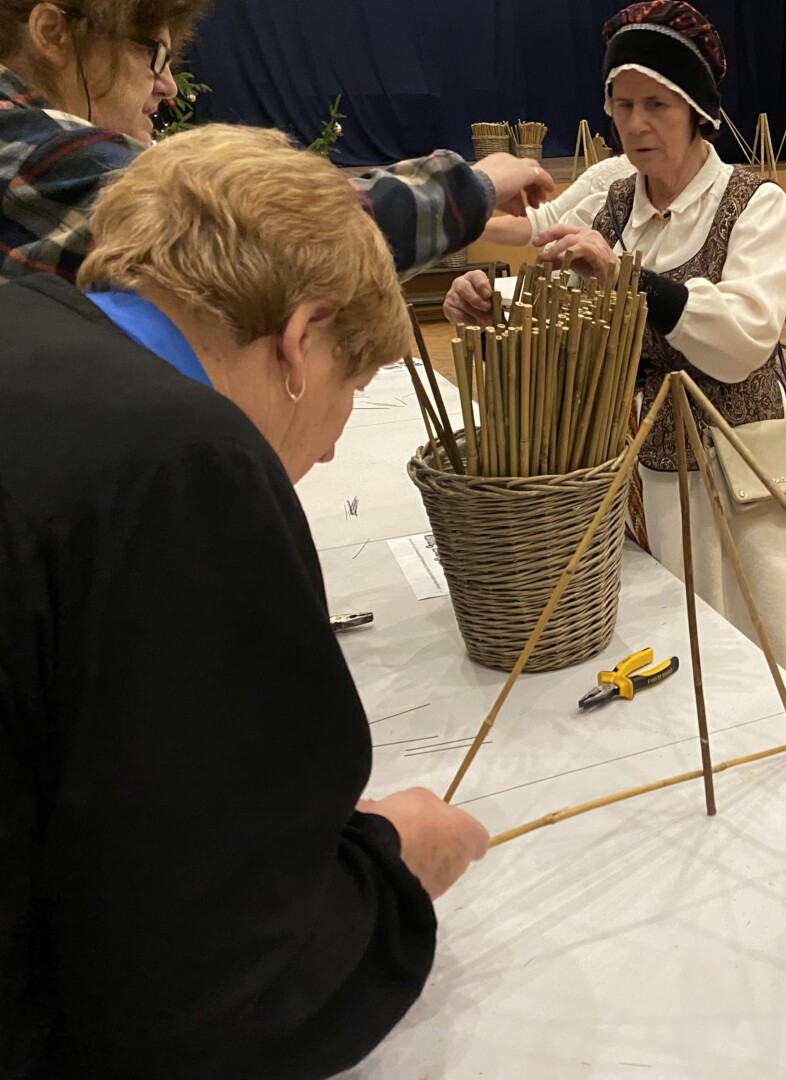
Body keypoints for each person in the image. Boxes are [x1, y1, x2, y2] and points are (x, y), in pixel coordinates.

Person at [0, 124, 490, 1077]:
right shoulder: (183, 463)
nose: (336, 449)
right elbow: (213, 991)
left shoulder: (26, 321)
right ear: (302, 342)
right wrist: (394, 867)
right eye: (353, 385)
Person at [445, 1, 786, 699]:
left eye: (656, 103)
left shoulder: (758, 206)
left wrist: (627, 276)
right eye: (622, 104)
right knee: (669, 642)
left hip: (736, 475)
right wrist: (487, 304)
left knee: (756, 648)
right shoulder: (615, 204)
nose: (635, 123)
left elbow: (742, 339)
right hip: (643, 471)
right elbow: (564, 300)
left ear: (697, 111)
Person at [0, 0, 553, 283]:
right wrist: (467, 189)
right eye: (155, 56)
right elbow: (266, 244)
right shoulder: (32, 153)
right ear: (53, 33)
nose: (166, 86)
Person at [449, 152, 638, 318]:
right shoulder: (603, 189)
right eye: (626, 108)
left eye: (657, 108)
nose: (637, 124)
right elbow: (546, 222)